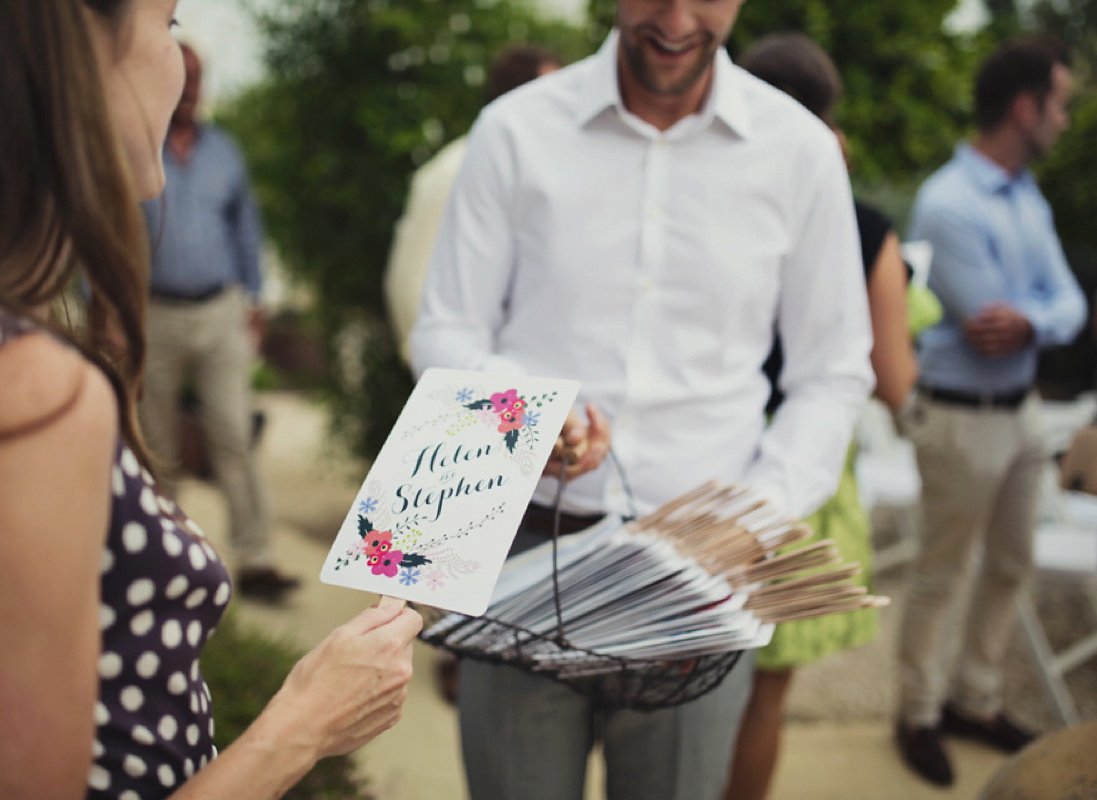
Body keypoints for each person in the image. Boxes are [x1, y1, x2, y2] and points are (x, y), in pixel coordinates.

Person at [0, 2, 422, 798]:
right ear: (70, 46)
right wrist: (305, 724)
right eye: (169, 21)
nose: (177, 68)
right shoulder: (14, 396)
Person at [409, 0, 875, 797]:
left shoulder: (799, 150)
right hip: (522, 548)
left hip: (702, 583)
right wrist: (527, 414)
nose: (676, 16)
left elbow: (833, 373)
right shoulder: (514, 129)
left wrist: (750, 522)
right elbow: (444, 330)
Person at [725, 32, 922, 800]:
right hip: (805, 481)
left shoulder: (714, 203)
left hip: (706, 470)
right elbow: (893, 378)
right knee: (764, 697)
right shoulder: (862, 223)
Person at [894, 35, 1086, 787]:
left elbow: (1065, 302)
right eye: (1061, 104)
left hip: (1022, 414)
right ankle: (916, 712)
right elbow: (985, 322)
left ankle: (974, 699)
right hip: (961, 416)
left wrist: (1039, 321)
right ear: (1025, 105)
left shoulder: (1027, 195)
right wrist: (1047, 318)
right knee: (942, 572)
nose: (1065, 120)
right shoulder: (950, 201)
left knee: (1012, 565)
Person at [139, 43, 299, 603]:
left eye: (197, 79)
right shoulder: (134, 145)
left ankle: (255, 559)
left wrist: (255, 301)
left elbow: (246, 228)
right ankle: (160, 560)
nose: (188, 89)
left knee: (233, 431)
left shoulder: (224, 151)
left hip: (220, 309)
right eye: (181, 77)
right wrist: (102, 307)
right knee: (155, 441)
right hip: (151, 312)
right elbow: (107, 223)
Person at [384, 45, 561, 364]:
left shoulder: (547, 172)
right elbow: (410, 284)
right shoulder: (456, 169)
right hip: (479, 392)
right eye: (550, 92)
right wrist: (451, 376)